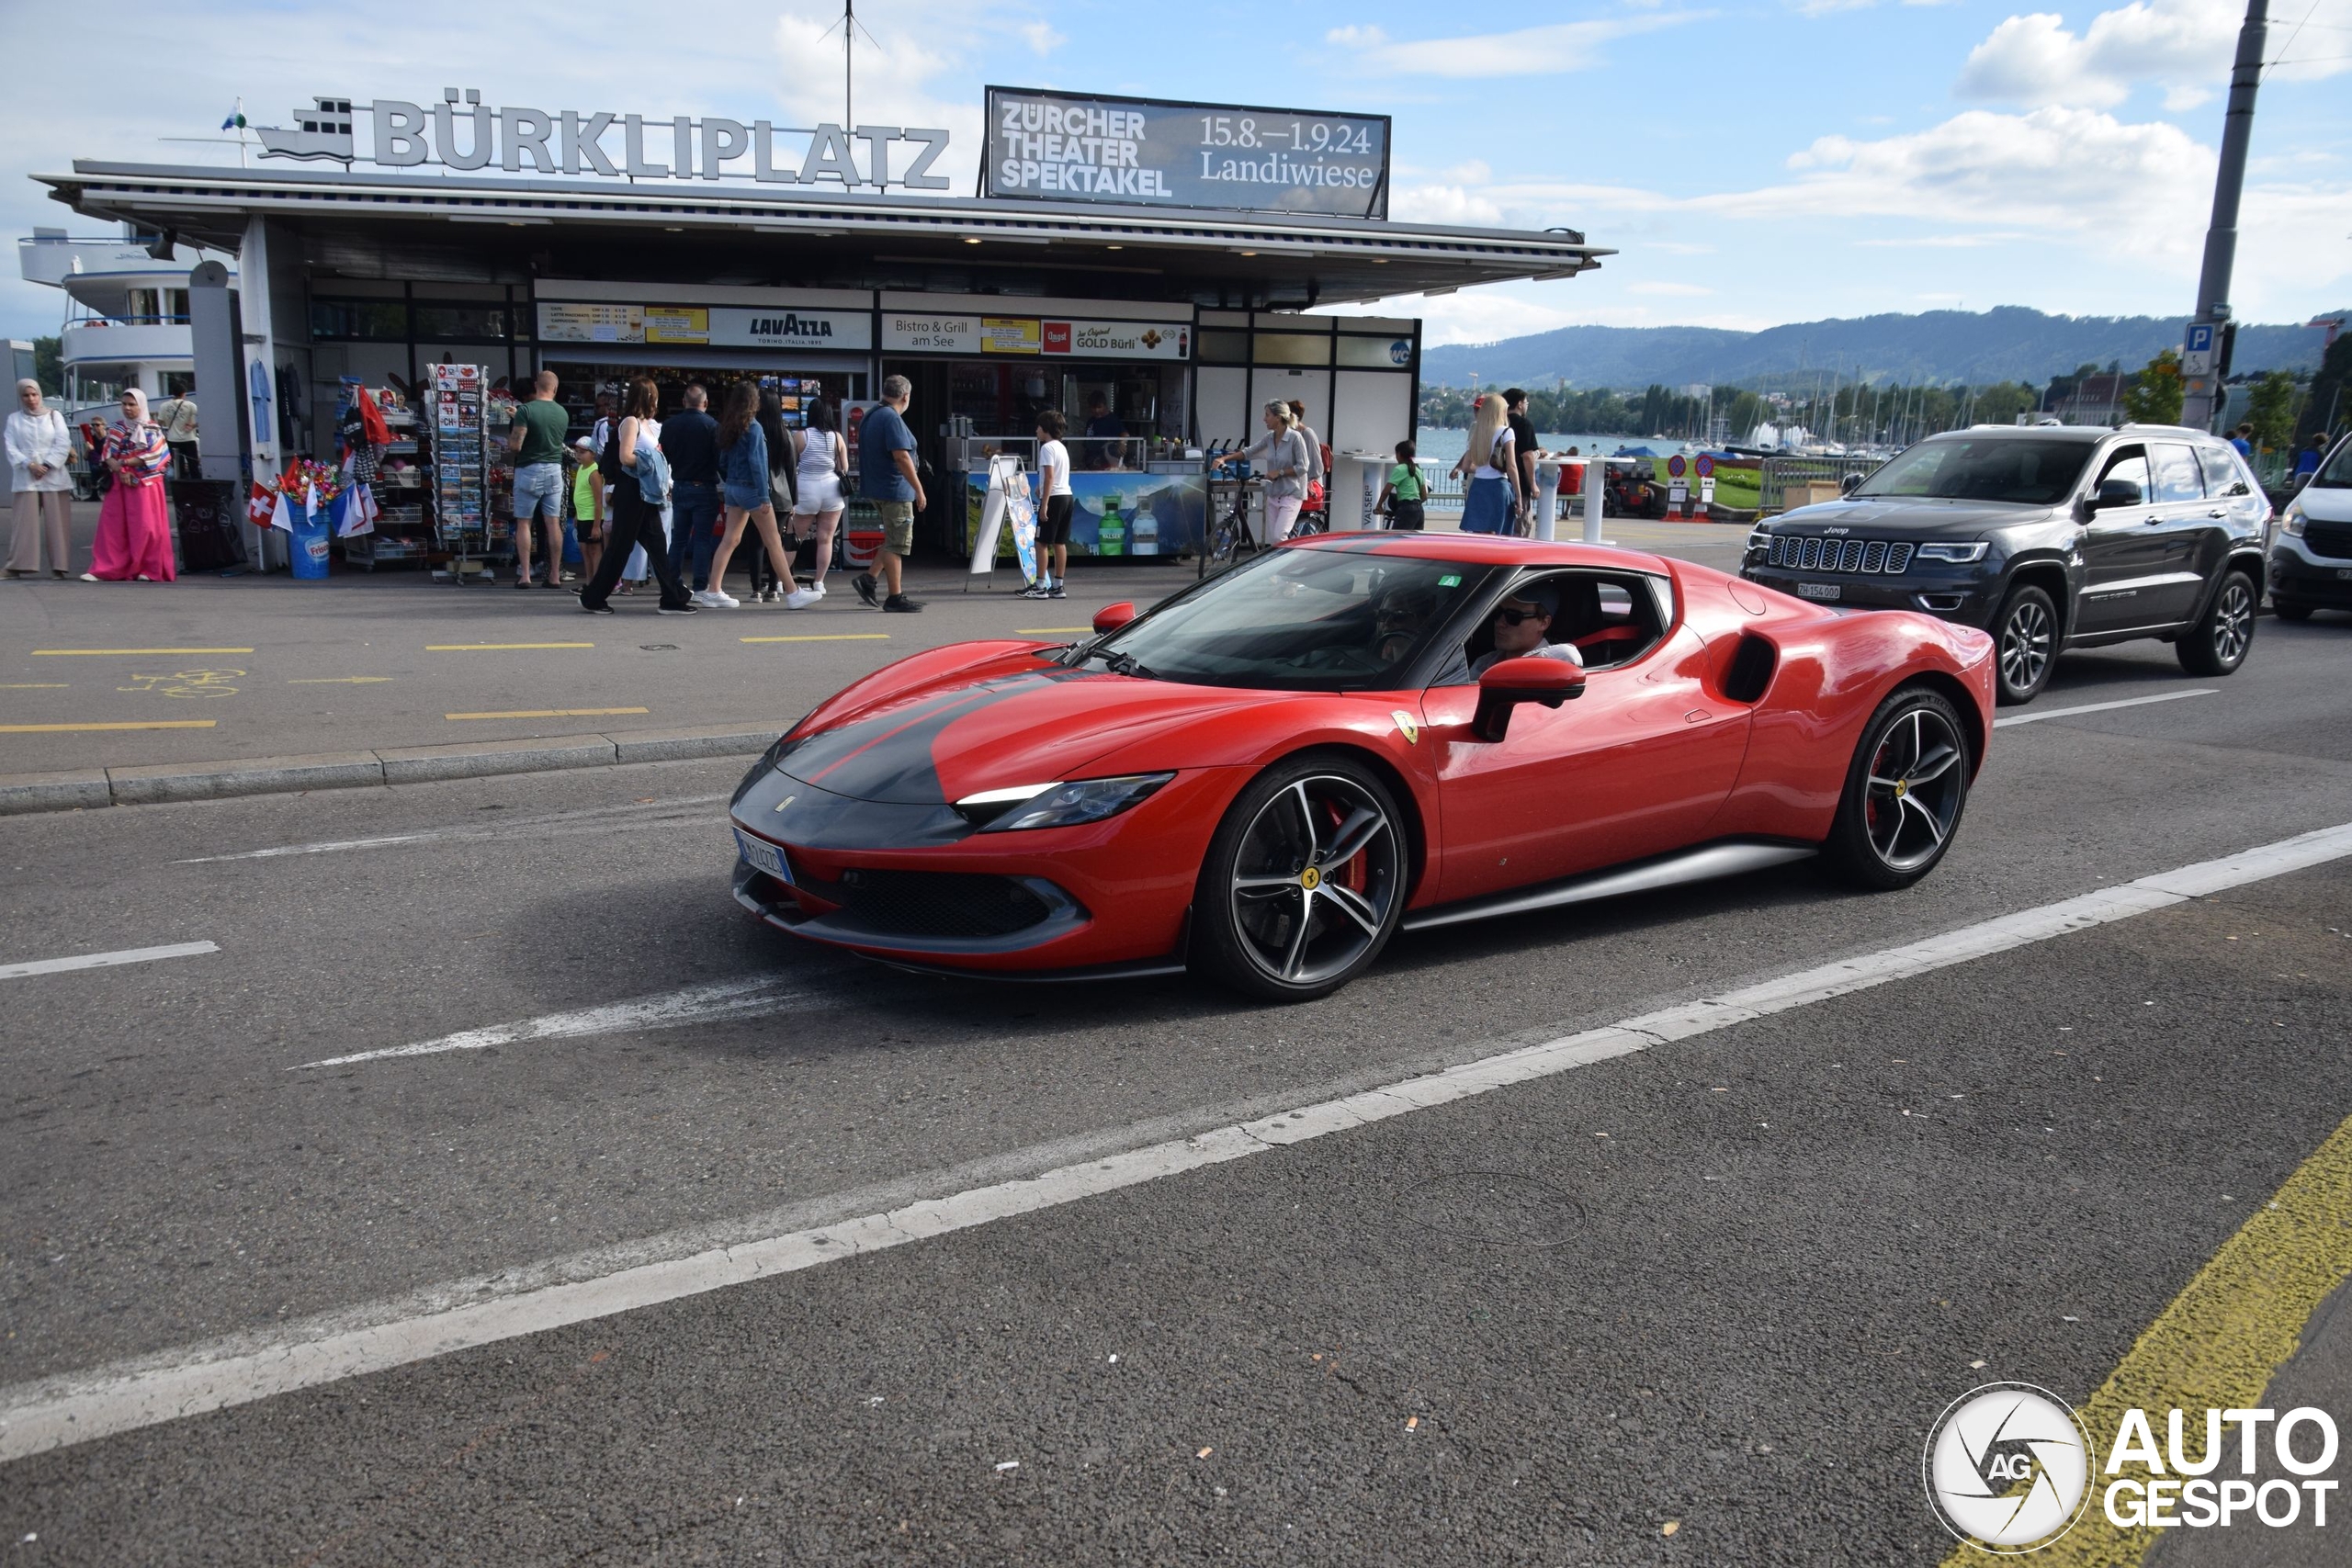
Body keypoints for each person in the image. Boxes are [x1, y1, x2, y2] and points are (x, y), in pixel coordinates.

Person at [576, 377, 693, 615]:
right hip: (632, 491)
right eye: (654, 395)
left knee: (657, 547)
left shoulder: (645, 423)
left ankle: (672, 597)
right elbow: (625, 456)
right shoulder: (630, 422)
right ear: (648, 397)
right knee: (620, 548)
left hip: (644, 492)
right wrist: (651, 461)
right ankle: (594, 597)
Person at [698, 381, 795, 609]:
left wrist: (731, 480)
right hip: (752, 489)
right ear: (754, 402)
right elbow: (758, 463)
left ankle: (713, 589)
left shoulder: (729, 426)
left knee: (730, 539)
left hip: (733, 487)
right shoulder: (754, 428)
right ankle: (793, 591)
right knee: (773, 541)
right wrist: (764, 496)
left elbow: (722, 461)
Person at [83, 389, 175, 581]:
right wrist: (117, 468)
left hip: (145, 484)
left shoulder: (152, 429)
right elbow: (107, 453)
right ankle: (108, 568)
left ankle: (148, 568)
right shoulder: (116, 428)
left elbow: (157, 456)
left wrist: (123, 464)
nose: (127, 408)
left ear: (141, 405)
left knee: (146, 526)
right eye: (124, 404)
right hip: (120, 483)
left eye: (132, 404)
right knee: (113, 527)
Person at [853, 374, 926, 613]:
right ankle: (895, 596)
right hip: (895, 489)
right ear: (905, 396)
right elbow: (901, 456)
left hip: (877, 487)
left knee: (893, 537)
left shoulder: (871, 414)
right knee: (898, 542)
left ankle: (869, 579)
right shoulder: (891, 418)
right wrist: (918, 488)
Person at [503, 370, 571, 590]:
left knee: (524, 522)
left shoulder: (525, 411)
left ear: (536, 385)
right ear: (555, 388)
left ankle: (525, 575)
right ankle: (554, 575)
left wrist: (517, 423)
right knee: (553, 523)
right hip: (554, 470)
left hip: (528, 469)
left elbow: (516, 446)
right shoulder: (562, 413)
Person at [1213, 400, 1311, 542]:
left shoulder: (1295, 438)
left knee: (1279, 537)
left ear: (1278, 417)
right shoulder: (1269, 438)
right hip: (1273, 493)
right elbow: (1248, 452)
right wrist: (1225, 459)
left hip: (1292, 494)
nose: (1264, 419)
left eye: (1267, 415)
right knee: (1274, 540)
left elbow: (1303, 467)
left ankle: (1291, 562)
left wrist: (1280, 472)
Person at [6, 378, 74, 578]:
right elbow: (10, 446)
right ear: (21, 397)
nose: (31, 399)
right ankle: (17, 565)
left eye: (34, 394)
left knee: (58, 523)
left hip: (53, 474)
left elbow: (63, 442)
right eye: (26, 395)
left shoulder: (54, 416)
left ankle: (60, 566)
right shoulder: (14, 419)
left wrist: (46, 465)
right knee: (23, 524)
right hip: (26, 476)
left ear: (40, 394)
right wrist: (30, 464)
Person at [785, 396, 847, 608]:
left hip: (806, 488)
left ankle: (781, 581)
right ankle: (819, 582)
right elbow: (843, 468)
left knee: (795, 538)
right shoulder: (837, 438)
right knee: (826, 539)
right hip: (831, 489)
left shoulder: (801, 436)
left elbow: (791, 465)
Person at [660, 382, 722, 594]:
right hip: (704, 487)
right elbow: (720, 459)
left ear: (684, 402)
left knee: (678, 539)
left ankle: (672, 583)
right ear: (705, 402)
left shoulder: (669, 425)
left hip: (679, 485)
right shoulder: (713, 426)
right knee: (702, 539)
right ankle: (700, 586)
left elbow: (662, 457)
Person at [1470, 583, 1584, 675]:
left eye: (1513, 616)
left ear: (1544, 623)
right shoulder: (1483, 663)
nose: (1500, 623)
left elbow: (1569, 654)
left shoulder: (1554, 661)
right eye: (1497, 612)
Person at [751, 389, 797, 602]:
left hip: (757, 494)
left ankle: (756, 589)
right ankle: (773, 588)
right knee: (775, 542)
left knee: (756, 543)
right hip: (782, 495)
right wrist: (794, 500)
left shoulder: (754, 431)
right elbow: (791, 469)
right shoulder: (785, 433)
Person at [1023, 408, 1074, 599]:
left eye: (1038, 427)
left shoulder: (1046, 448)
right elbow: (1054, 476)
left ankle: (1040, 585)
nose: (1036, 430)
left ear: (1045, 428)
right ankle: (1058, 585)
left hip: (1054, 498)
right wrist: (1040, 486)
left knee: (1041, 542)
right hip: (1067, 496)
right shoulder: (1061, 447)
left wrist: (1043, 504)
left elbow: (1050, 476)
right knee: (1059, 542)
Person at [1454, 393, 1522, 535]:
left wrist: (1482, 469)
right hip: (1499, 487)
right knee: (1500, 536)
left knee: (1480, 536)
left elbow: (1466, 466)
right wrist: (1519, 496)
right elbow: (1511, 467)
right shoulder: (1506, 432)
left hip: (1478, 487)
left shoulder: (1477, 433)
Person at [568, 436, 605, 585]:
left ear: (593, 454)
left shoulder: (594, 472)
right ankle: (589, 582)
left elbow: (598, 500)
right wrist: (577, 515)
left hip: (592, 518)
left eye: (583, 452)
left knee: (594, 550)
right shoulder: (581, 469)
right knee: (584, 550)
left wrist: (596, 526)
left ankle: (596, 582)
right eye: (576, 451)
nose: (578, 455)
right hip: (583, 517)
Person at [1505, 389, 1541, 532]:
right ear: (1519, 404)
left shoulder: (1499, 423)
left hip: (1500, 481)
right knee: (1521, 526)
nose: (1527, 406)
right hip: (1520, 482)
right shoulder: (1525, 425)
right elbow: (1527, 456)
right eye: (1526, 402)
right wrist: (1533, 484)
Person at [1376, 439, 1424, 531]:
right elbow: (1424, 496)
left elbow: (1386, 491)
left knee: (1397, 539)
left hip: (1406, 508)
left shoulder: (1399, 469)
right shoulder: (1418, 470)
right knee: (1415, 541)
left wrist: (1379, 505)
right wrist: (1415, 506)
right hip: (1419, 511)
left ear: (1399, 454)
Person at [1288, 399, 1327, 514]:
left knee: (1304, 527)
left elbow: (1316, 466)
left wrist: (1309, 481)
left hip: (1308, 488)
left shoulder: (1307, 434)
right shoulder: (1291, 435)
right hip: (1296, 487)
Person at [151, 392, 201, 479]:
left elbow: (159, 424)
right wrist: (193, 425)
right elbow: (205, 417)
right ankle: (196, 488)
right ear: (184, 393)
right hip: (189, 439)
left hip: (172, 440)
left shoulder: (164, 406)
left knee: (178, 468)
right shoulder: (190, 405)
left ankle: (181, 489)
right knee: (194, 467)